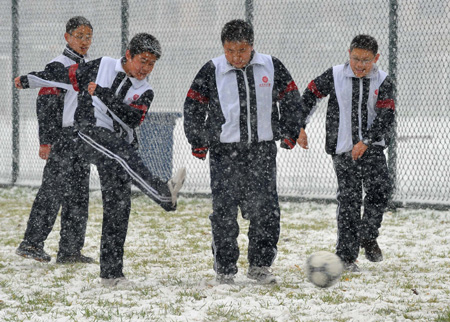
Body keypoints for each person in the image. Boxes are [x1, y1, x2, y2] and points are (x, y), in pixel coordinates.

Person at [15, 32, 186, 288]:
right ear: (128, 55)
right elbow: (64, 76)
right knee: (120, 153)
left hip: (117, 148)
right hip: (88, 132)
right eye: (142, 60)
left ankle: (111, 275)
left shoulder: (146, 90)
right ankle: (162, 193)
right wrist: (27, 80)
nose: (146, 68)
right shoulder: (102, 65)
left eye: (151, 64)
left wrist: (105, 95)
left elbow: (132, 119)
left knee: (119, 208)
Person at [184, 19, 301, 285]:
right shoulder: (212, 69)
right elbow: (193, 106)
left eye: (242, 50)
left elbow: (291, 98)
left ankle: (260, 265)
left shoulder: (271, 66)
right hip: (225, 152)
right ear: (223, 48)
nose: (236, 57)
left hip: (261, 151)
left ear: (252, 46)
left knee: (265, 210)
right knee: (224, 211)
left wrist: (290, 130)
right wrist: (199, 139)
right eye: (230, 51)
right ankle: (225, 268)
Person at [297, 34, 395, 272]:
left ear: (376, 58)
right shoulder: (334, 75)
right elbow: (310, 94)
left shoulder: (383, 81)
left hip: (371, 148)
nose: (360, 65)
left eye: (366, 60)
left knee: (381, 190)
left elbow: (385, 116)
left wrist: (366, 141)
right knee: (349, 201)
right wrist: (299, 126)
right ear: (348, 54)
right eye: (356, 58)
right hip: (342, 150)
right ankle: (346, 258)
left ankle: (367, 234)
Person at [16, 16, 94, 264]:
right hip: (63, 137)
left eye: (88, 36)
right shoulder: (58, 65)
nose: (84, 41)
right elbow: (46, 105)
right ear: (67, 37)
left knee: (79, 195)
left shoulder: (87, 65)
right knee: (53, 190)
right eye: (79, 36)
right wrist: (46, 140)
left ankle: (70, 250)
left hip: (81, 137)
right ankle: (31, 243)